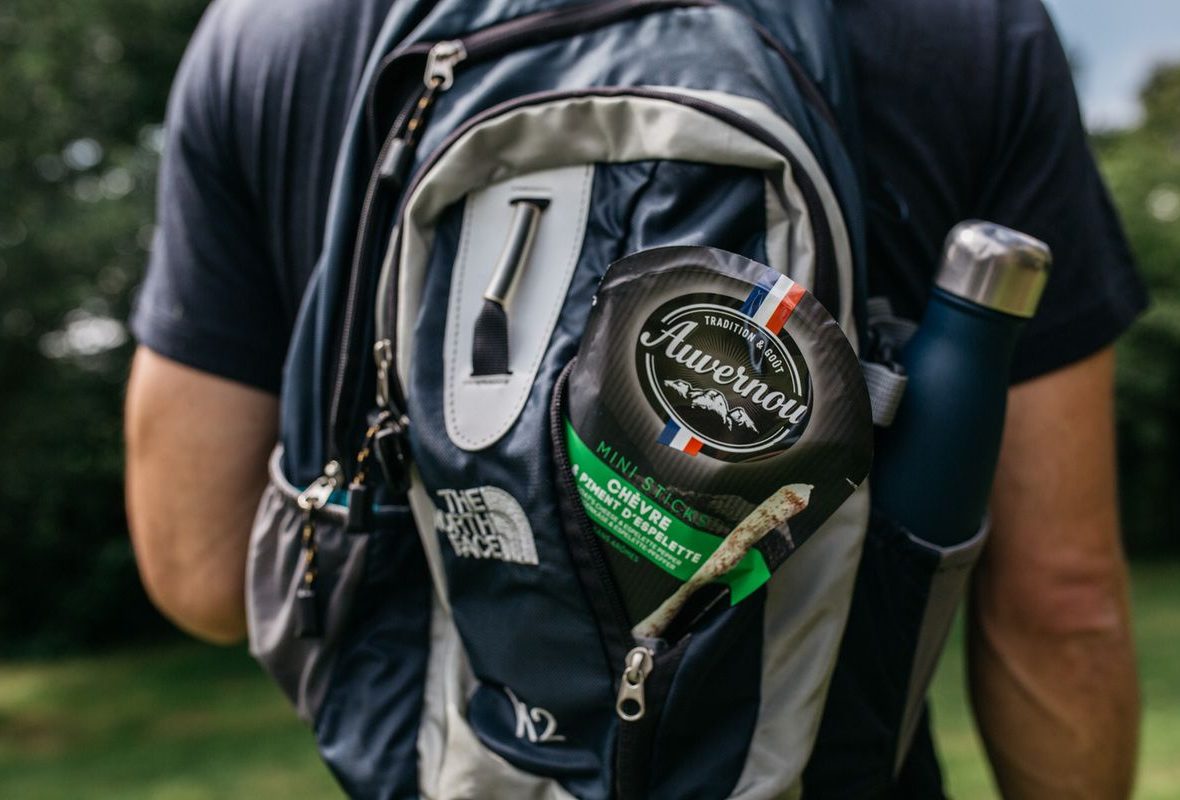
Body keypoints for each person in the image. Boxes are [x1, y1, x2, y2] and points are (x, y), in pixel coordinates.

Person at [124, 0, 1145, 796]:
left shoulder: (267, 32)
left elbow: (202, 570)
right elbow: (1060, 600)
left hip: (444, 762)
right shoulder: (967, 28)